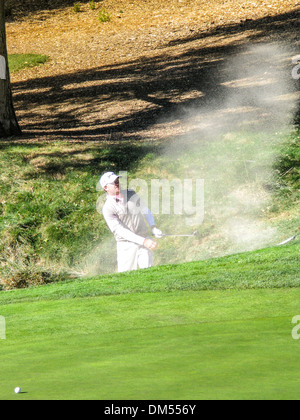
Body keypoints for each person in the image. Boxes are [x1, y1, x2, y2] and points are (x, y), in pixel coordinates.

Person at [99, 172, 163, 273]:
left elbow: (145, 209)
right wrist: (144, 241)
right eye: (113, 182)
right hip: (126, 245)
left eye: (117, 181)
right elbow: (120, 231)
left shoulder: (131, 193)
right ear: (106, 188)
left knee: (149, 273)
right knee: (126, 278)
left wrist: (153, 226)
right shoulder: (108, 208)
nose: (117, 183)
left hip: (143, 239)